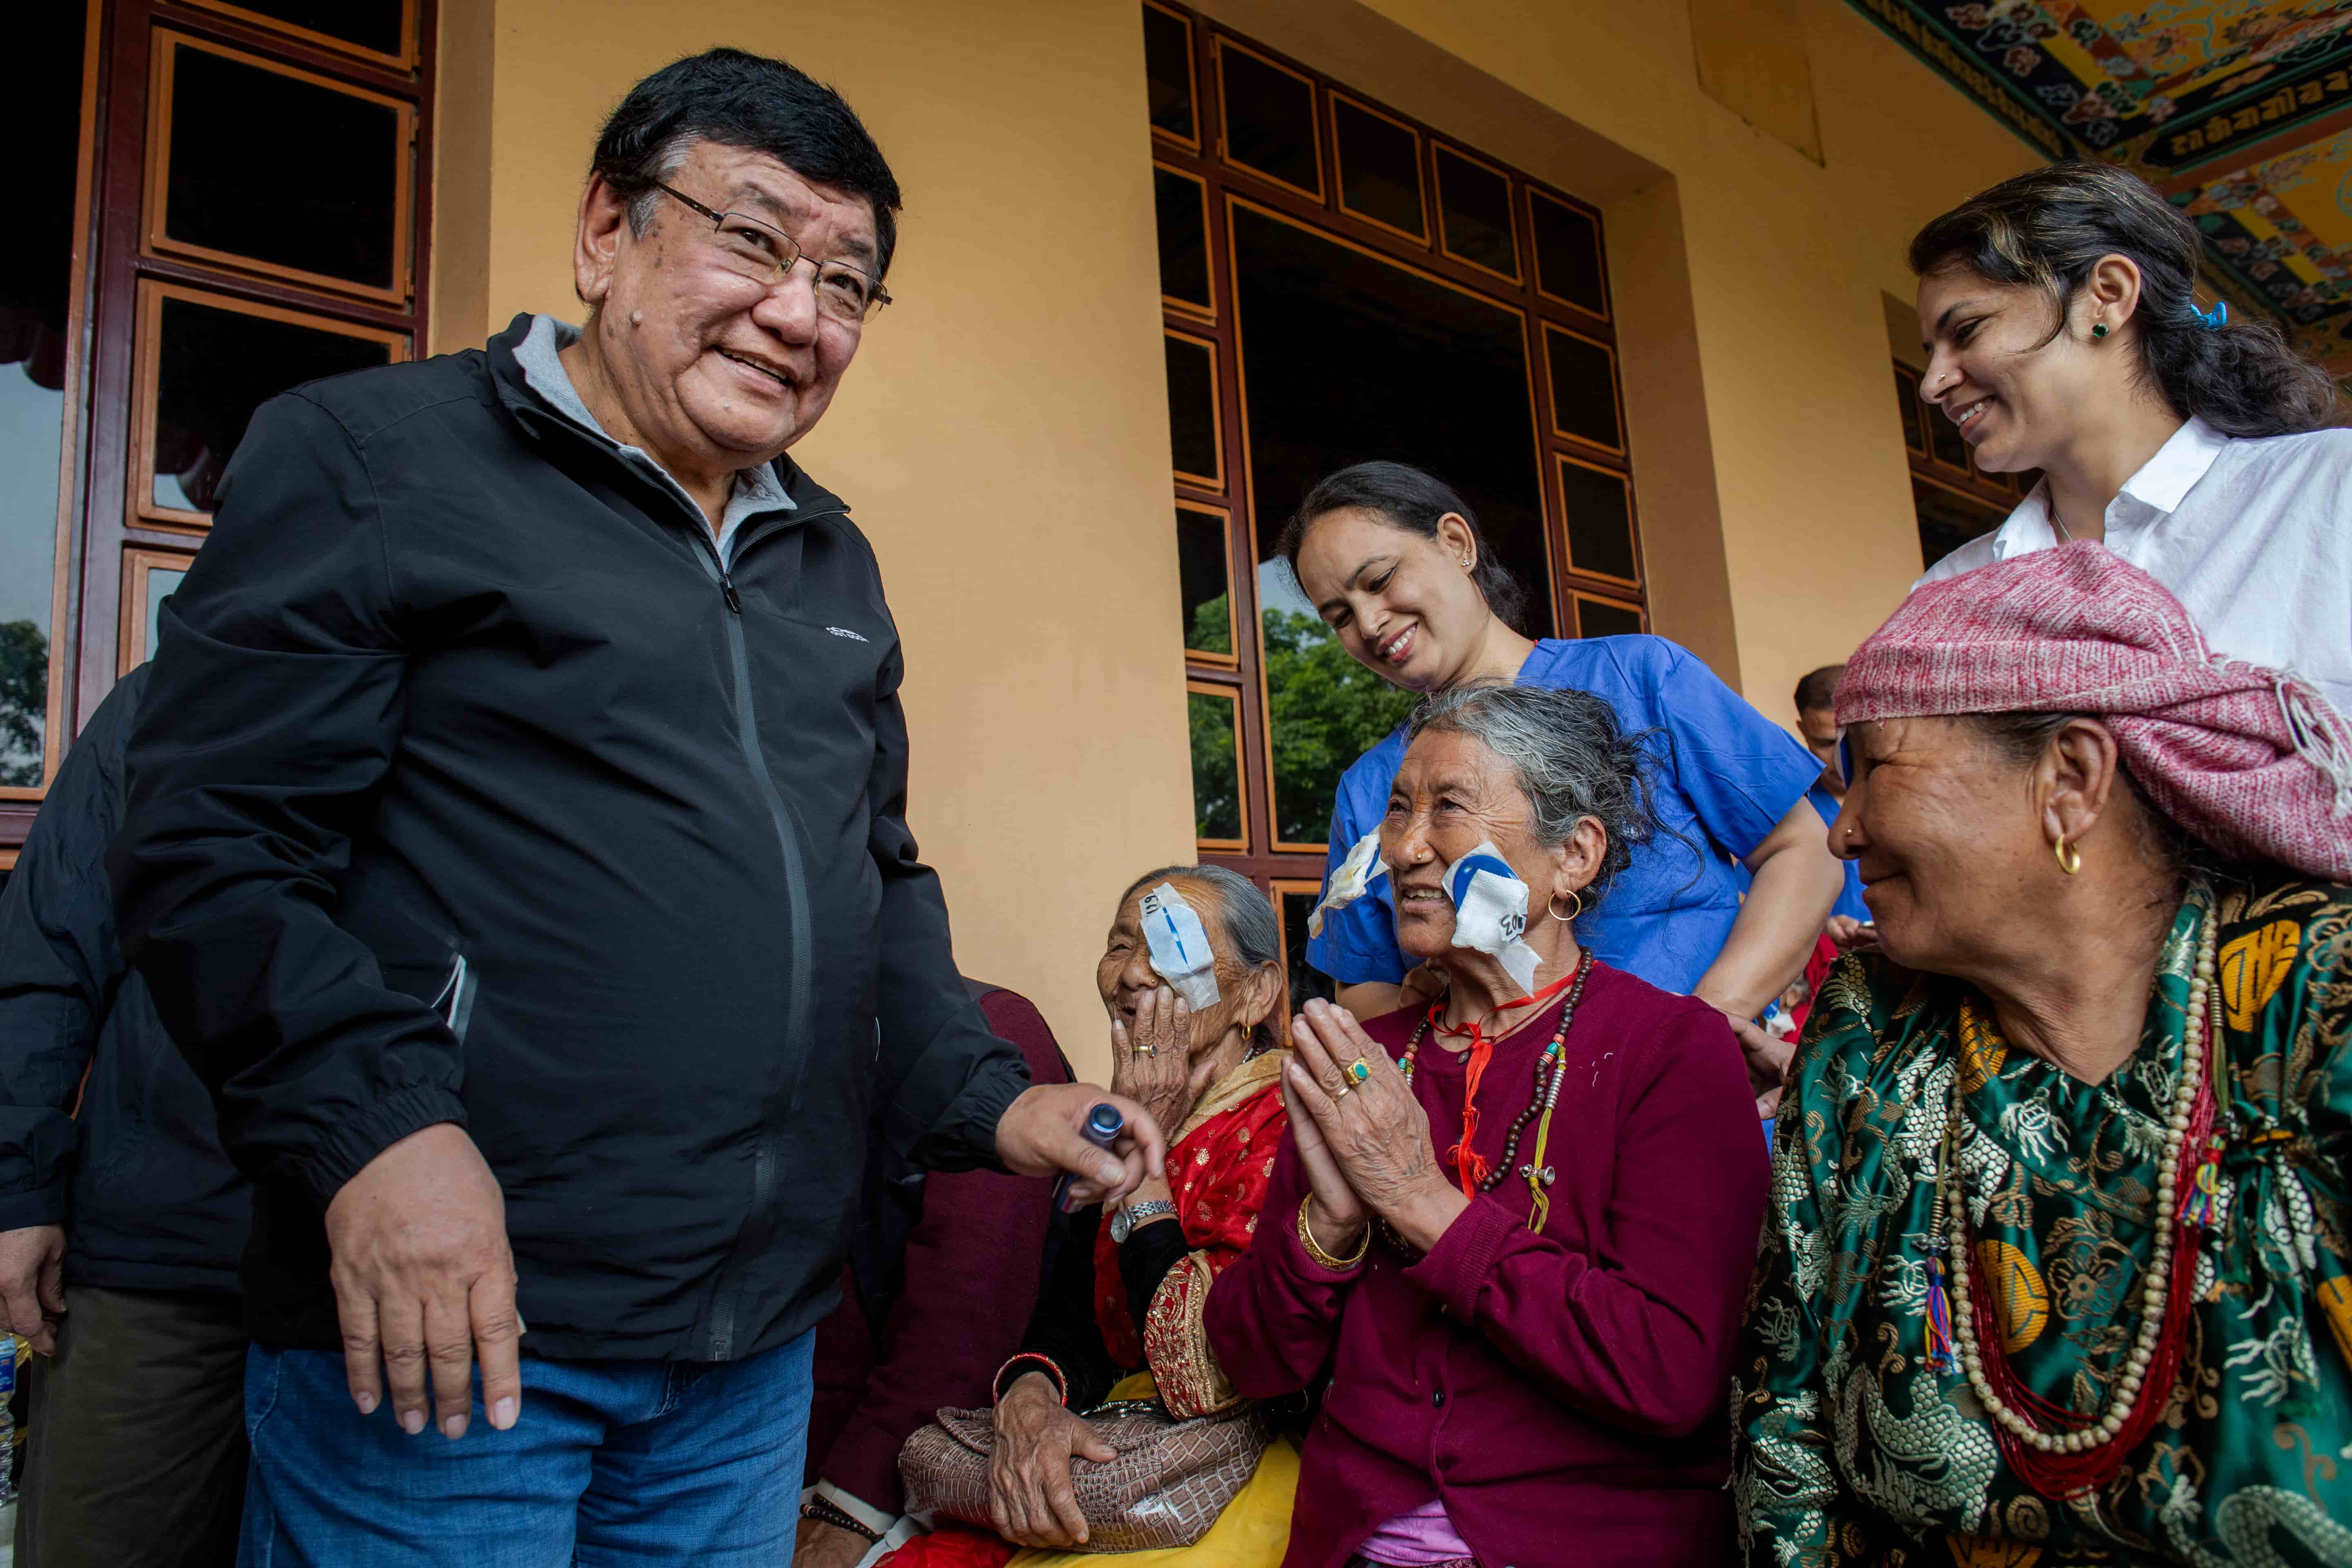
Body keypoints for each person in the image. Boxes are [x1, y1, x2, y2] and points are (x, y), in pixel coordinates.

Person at [106, 49, 1163, 1563]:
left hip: (746, 1359)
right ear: (607, 231)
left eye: (848, 282)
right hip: (458, 1348)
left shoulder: (831, 561)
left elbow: (872, 875)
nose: (801, 314)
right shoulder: (373, 460)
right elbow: (210, 848)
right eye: (750, 239)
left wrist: (989, 1095)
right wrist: (373, 1133)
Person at [1735, 543, 2352, 1562]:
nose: (1839, 836)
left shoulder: (2310, 992)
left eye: (1869, 771)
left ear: (2067, 776)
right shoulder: (1867, 1025)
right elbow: (1781, 1428)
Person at [1208, 684, 1771, 1568]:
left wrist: (1420, 1200)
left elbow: (1670, 1375)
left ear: (1573, 857)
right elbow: (1253, 1363)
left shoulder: (1669, 1051)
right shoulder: (1366, 1059)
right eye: (1398, 810)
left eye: (1449, 809)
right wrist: (1329, 1230)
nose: (1406, 847)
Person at [1288, 461, 1842, 1033]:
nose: (1370, 622)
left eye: (1380, 580)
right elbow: (1363, 983)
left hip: (1687, 1094)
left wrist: (1703, 1030)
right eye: (1339, 617)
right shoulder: (1371, 787)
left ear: (1456, 543)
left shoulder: (1642, 677)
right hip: (1499, 1112)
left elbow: (1803, 850)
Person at [892, 865, 1294, 1568]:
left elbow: (1205, 1377)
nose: (1134, 973)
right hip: (1113, 1448)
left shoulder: (1287, 1125)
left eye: (1171, 946)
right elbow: (1073, 1319)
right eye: (1118, 945)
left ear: (1256, 994)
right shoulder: (1105, 1119)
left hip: (1230, 1467)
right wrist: (1033, 1395)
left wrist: (1143, 1169)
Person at [1910, 160, 2350, 712]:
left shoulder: (2331, 490)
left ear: (2108, 296)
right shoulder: (1947, 593)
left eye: (1967, 331)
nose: (1932, 386)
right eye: (1931, 354)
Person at [0, 663, 252, 1567]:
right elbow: (48, 953)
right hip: (157, 1264)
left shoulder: (480, 684)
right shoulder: (163, 698)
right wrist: (17, 1190)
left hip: (395, 1276)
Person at [796, 982, 1073, 1568]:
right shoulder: (791, 1041)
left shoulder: (989, 1029)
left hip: (908, 1467)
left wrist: (845, 1508)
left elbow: (965, 1318)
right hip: (769, 1464)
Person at [1795, 661, 1871, 940]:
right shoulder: (1790, 805)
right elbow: (1749, 899)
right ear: (1803, 731)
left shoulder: (1903, 794)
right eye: (1827, 744)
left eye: (1852, 739)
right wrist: (1819, 927)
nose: (1842, 758)